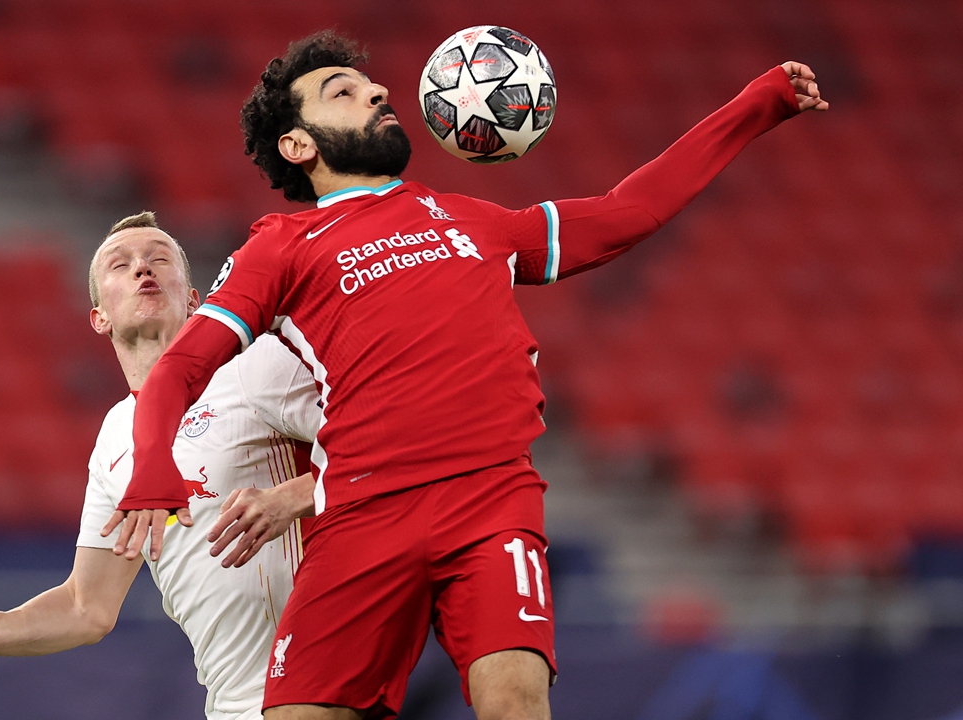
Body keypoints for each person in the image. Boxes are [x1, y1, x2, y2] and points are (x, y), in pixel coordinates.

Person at [108, 31, 829, 720]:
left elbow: (625, 212)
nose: (379, 90)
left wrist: (757, 105)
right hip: (362, 515)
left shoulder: (469, 219)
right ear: (298, 145)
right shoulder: (283, 247)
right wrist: (151, 468)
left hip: (490, 498)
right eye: (343, 90)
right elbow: (182, 367)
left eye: (369, 83)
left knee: (515, 701)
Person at [0, 212, 323, 720]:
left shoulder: (255, 368)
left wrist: (294, 497)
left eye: (160, 259)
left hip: (315, 686)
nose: (143, 268)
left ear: (195, 301)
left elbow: (393, 446)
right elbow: (86, 606)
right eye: (121, 265)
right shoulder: (114, 437)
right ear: (99, 316)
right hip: (233, 704)